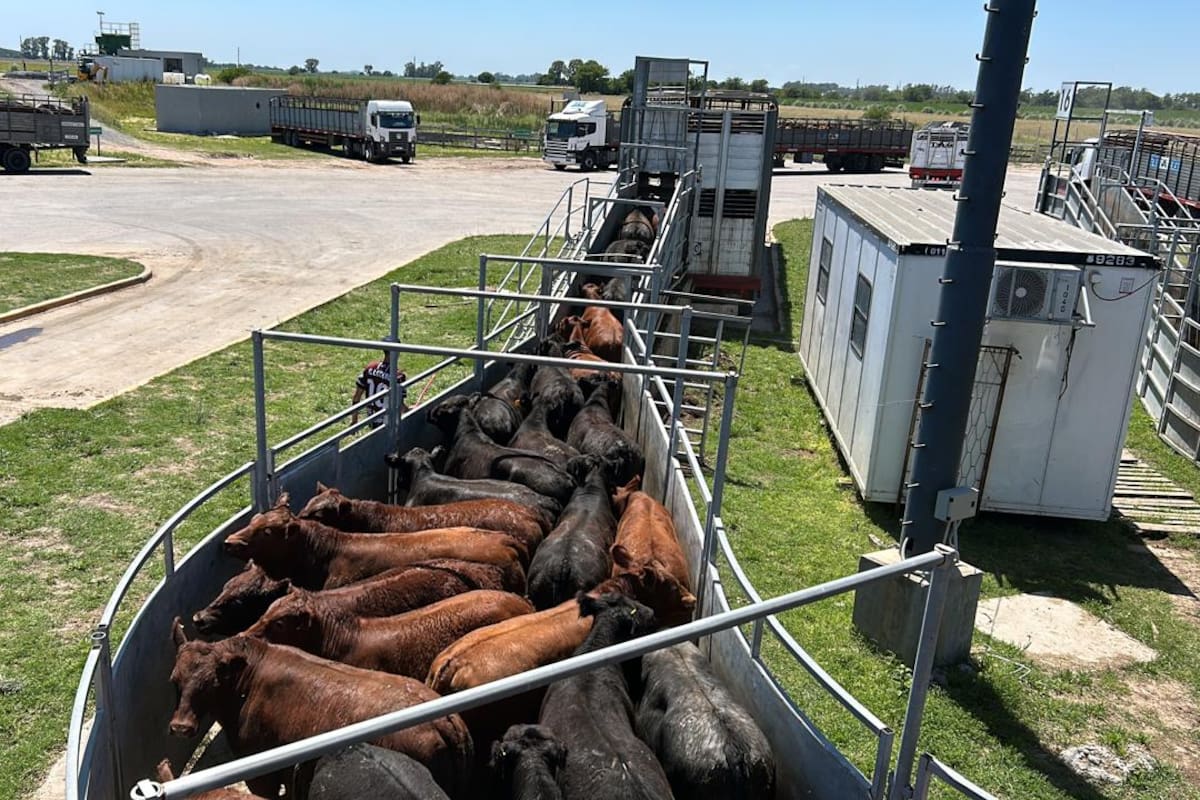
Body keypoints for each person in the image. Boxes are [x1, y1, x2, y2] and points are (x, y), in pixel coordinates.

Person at [350, 350, 406, 426]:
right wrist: (411, 410)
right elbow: (399, 405)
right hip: (387, 422)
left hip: (371, 418)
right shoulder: (398, 376)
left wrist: (354, 419)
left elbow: (357, 396)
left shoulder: (370, 368)